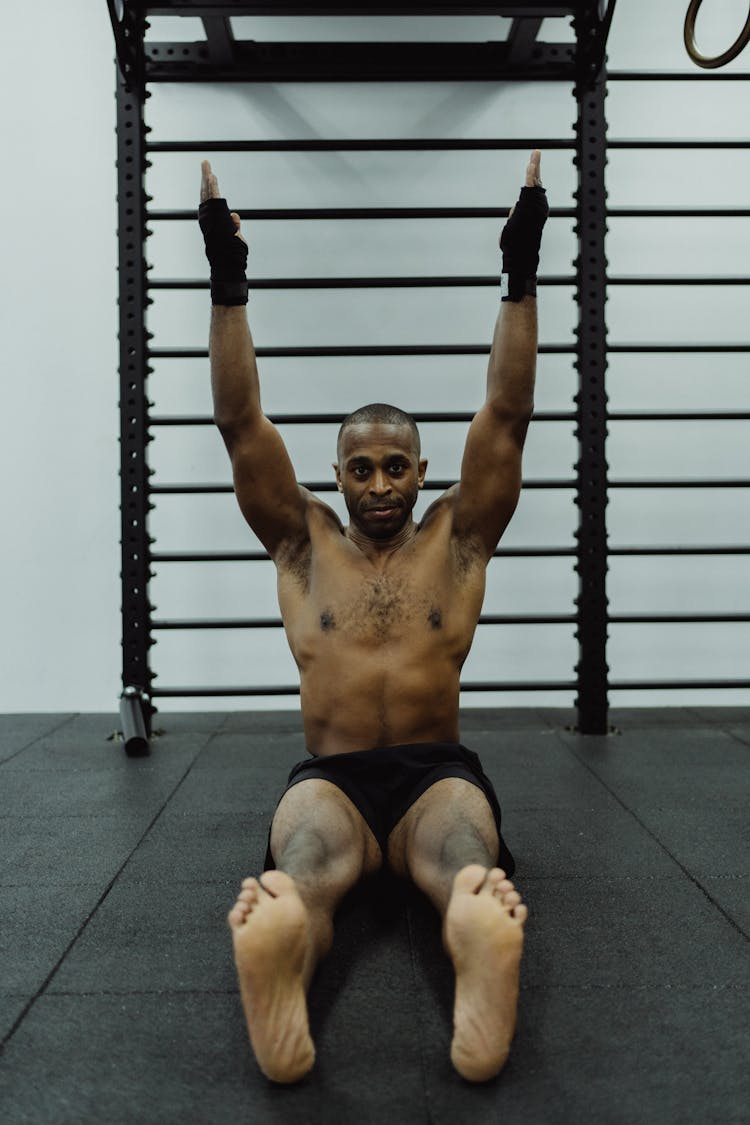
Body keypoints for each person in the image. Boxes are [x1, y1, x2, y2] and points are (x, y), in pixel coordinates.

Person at [198, 151, 548, 1085]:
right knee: (305, 872)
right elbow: (240, 424)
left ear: (422, 471)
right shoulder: (302, 544)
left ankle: (476, 938)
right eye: (364, 467)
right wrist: (227, 284)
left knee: (463, 858)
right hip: (334, 777)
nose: (382, 483)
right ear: (338, 472)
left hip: (438, 772)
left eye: (398, 465)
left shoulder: (460, 540)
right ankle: (284, 959)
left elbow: (506, 416)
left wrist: (521, 274)